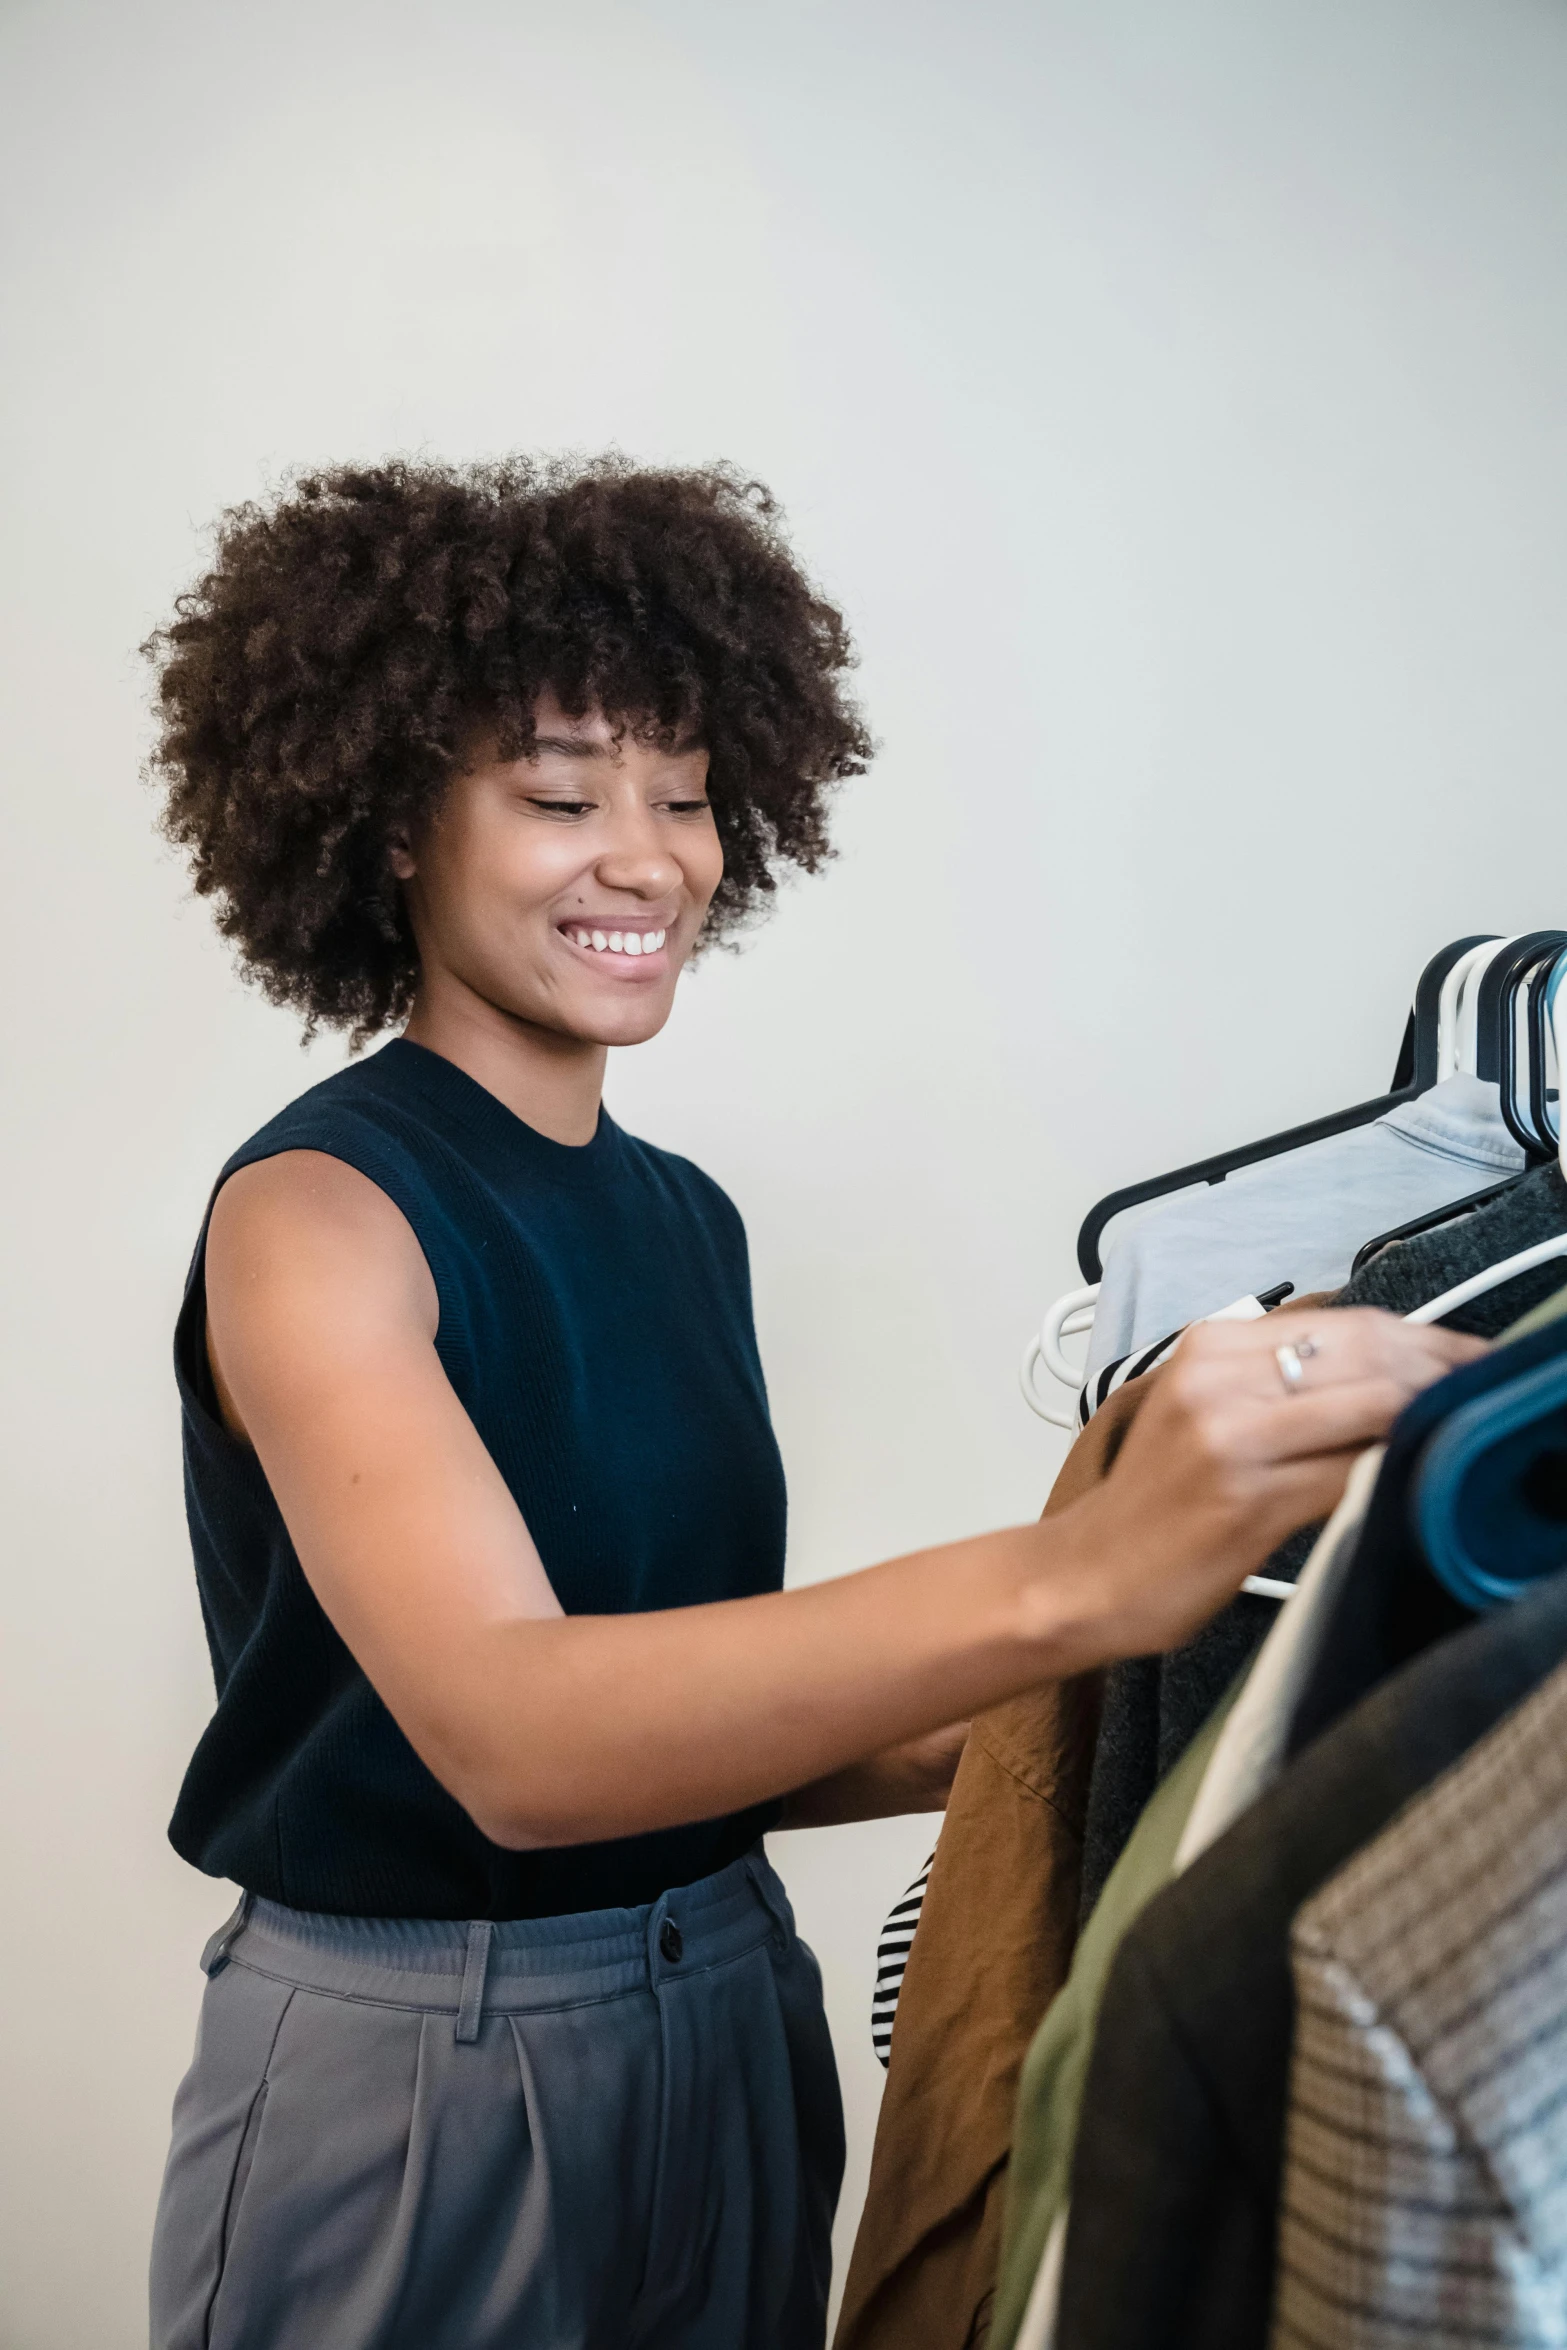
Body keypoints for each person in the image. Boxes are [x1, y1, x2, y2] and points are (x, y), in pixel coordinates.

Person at [143, 456, 1476, 2350]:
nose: (648, 856)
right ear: (383, 830)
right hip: (424, 2052)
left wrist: (1028, 1739)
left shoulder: (686, 1219)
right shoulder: (318, 1214)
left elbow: (691, 1714)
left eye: (683, 797)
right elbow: (520, 1740)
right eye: (556, 797)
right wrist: (1084, 1576)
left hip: (726, 2006)